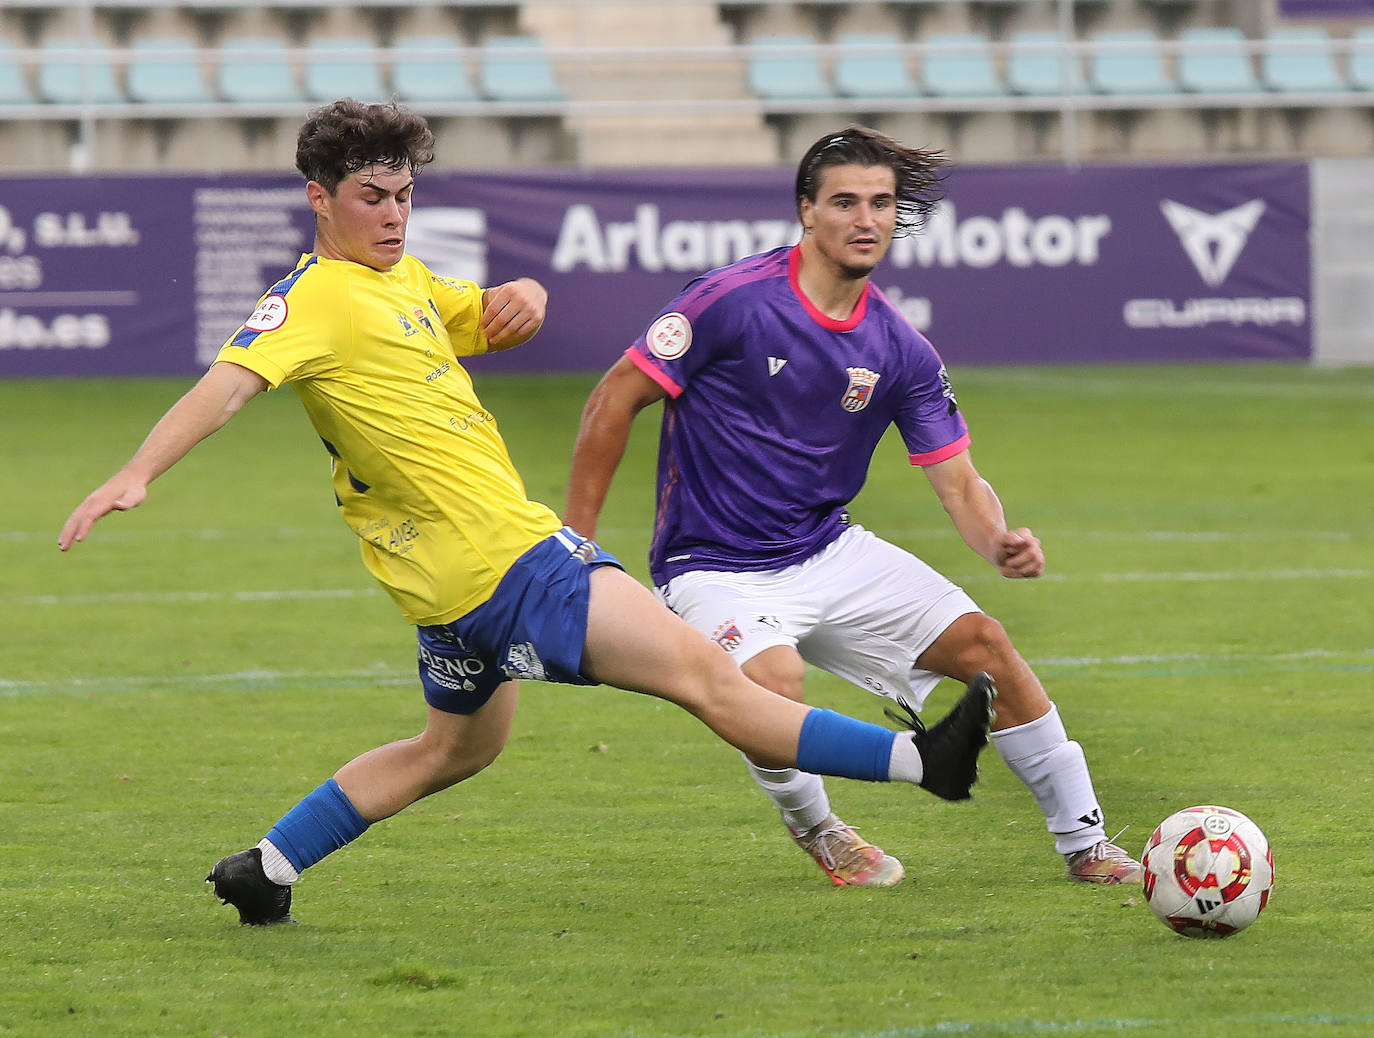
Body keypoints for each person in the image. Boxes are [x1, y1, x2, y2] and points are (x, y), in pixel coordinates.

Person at [58, 102, 997, 926]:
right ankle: (925, 764)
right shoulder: (313, 299)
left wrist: (531, 295)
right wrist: (137, 471)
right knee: (713, 679)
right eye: (370, 197)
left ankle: (266, 867)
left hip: (441, 591)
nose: (391, 215)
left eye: (402, 195)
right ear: (319, 197)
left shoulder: (408, 282)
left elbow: (492, 314)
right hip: (512, 560)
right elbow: (227, 386)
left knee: (453, 748)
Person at [563, 126, 1142, 889]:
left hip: (827, 551)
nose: (866, 219)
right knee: (773, 684)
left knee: (987, 649)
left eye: (880, 203)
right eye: (844, 202)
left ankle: (1087, 844)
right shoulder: (731, 303)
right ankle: (821, 829)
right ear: (807, 211)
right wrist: (577, 543)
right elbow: (614, 398)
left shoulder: (901, 348)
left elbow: (960, 483)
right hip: (712, 566)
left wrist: (998, 540)